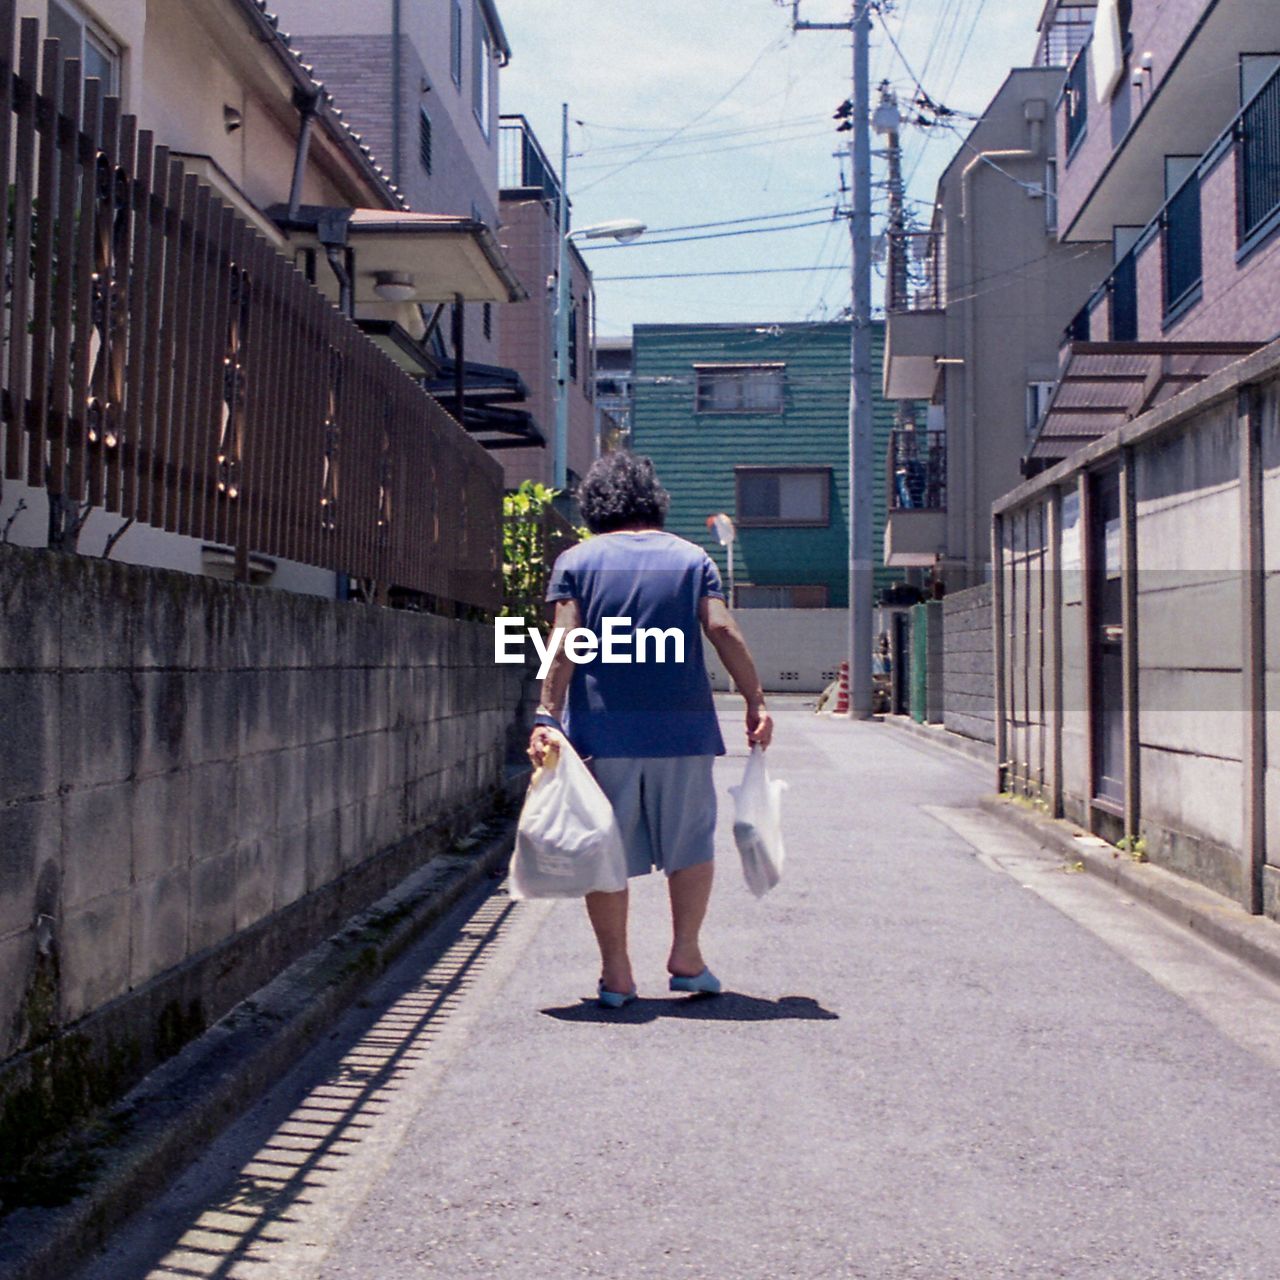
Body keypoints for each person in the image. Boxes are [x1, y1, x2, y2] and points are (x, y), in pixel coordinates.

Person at [528, 452, 773, 1008]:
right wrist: (755, 700)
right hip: (682, 731)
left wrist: (548, 713)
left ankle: (616, 975)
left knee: (604, 849)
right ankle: (686, 957)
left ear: (595, 505)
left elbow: (565, 637)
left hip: (601, 732)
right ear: (652, 500)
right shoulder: (690, 558)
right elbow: (723, 628)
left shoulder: (577, 560)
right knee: (689, 845)